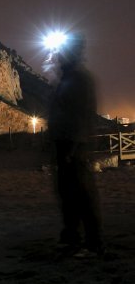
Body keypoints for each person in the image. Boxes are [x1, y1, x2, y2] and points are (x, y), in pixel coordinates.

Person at [46, 33, 103, 256]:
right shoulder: (66, 79)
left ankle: (93, 242)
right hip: (65, 143)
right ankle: (72, 237)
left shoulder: (79, 80)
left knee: (82, 194)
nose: (58, 55)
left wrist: (73, 147)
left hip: (74, 146)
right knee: (67, 193)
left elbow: (81, 115)